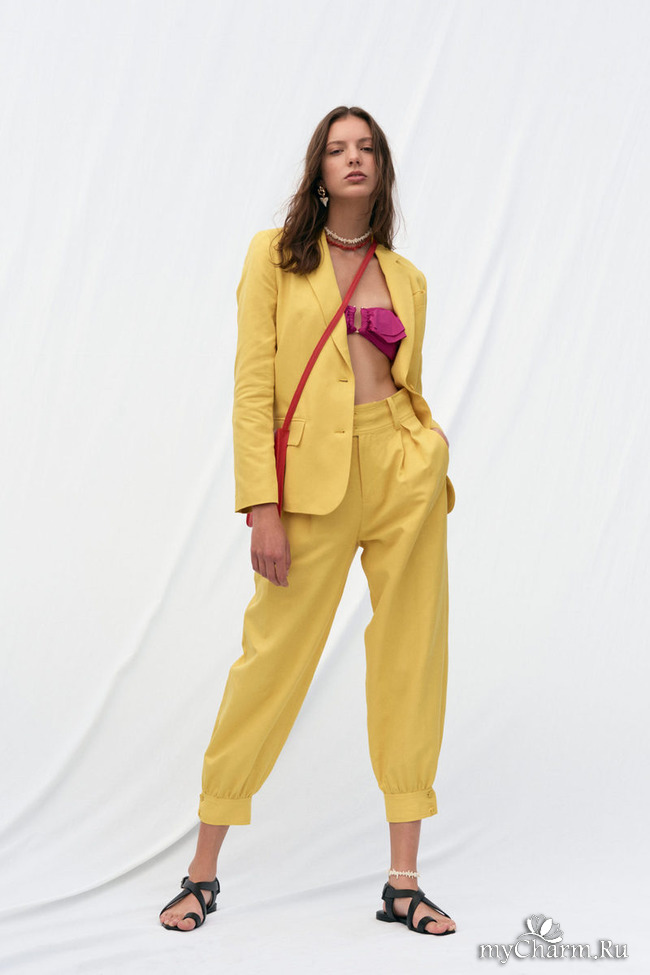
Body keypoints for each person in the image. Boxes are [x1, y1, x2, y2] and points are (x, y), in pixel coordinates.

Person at [159, 105, 457, 936]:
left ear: (381, 167)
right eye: (336, 148)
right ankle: (201, 871)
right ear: (318, 171)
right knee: (271, 662)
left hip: (402, 470)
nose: (352, 158)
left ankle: (404, 881)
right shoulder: (274, 256)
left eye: (366, 148)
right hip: (308, 487)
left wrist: (427, 452)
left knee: (411, 661)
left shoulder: (408, 278)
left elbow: (404, 380)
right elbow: (253, 386)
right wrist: (262, 504)